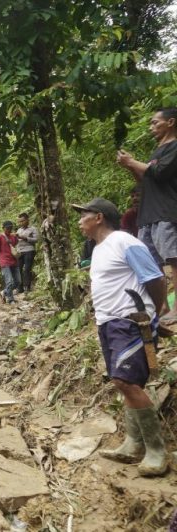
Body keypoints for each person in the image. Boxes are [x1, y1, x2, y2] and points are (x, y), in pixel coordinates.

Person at [73, 198, 168, 477]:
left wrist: (155, 314)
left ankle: (156, 450)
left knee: (125, 380)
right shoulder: (99, 248)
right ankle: (133, 443)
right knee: (127, 382)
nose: (80, 220)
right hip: (109, 323)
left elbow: (156, 278)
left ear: (99, 217)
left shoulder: (125, 241)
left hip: (130, 321)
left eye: (84, 215)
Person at [117, 107, 177, 323]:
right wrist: (130, 165)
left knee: (173, 259)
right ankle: (162, 308)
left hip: (166, 211)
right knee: (151, 263)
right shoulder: (157, 152)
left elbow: (160, 173)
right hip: (148, 215)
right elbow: (146, 179)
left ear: (170, 122)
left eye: (155, 122)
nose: (151, 127)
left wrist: (133, 162)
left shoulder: (174, 147)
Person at [0, 221, 21, 303]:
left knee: (18, 281)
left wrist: (16, 235)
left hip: (14, 261)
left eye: (10, 228)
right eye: (7, 228)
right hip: (4, 261)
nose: (9, 229)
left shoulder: (13, 237)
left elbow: (15, 244)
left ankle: (3, 292)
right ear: (3, 228)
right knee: (9, 281)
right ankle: (10, 299)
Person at [16, 213, 39, 293]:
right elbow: (17, 241)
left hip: (29, 250)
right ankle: (20, 287)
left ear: (27, 220)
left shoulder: (33, 229)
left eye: (22, 221)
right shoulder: (19, 230)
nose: (21, 223)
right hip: (20, 251)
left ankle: (27, 287)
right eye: (19, 222)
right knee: (18, 269)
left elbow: (36, 239)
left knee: (27, 269)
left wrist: (25, 238)